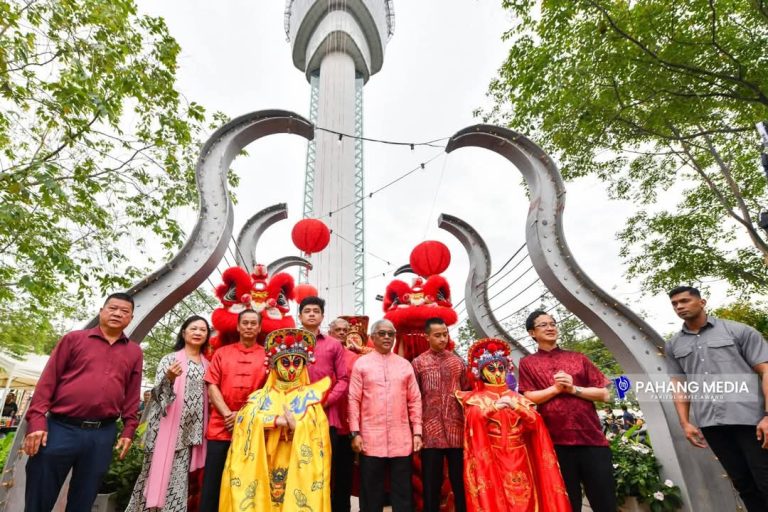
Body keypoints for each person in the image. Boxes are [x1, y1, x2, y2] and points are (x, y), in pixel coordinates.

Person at [23, 292, 143, 512]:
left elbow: (132, 395)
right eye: (112, 308)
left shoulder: (134, 352)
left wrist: (128, 430)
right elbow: (47, 382)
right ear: (101, 311)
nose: (117, 313)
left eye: (124, 311)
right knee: (39, 495)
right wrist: (37, 421)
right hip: (60, 428)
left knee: (84, 499)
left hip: (102, 434)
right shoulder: (74, 339)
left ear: (131, 318)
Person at [666, 286, 768, 511]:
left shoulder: (738, 331)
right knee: (743, 485)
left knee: (765, 481)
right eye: (674, 304)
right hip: (712, 424)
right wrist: (685, 422)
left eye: (684, 301)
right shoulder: (674, 345)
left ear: (702, 302)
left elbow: (766, 370)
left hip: (751, 420)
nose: (679, 307)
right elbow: (679, 385)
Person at [219, 328, 331, 512]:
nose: (292, 368)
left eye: (297, 363)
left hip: (295, 460)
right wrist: (275, 420)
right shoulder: (260, 397)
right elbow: (243, 420)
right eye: (285, 363)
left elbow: (319, 435)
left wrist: (298, 426)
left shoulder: (310, 399)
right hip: (264, 460)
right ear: (274, 365)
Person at [456, 338, 571, 512]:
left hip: (521, 455)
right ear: (481, 372)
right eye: (491, 369)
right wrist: (492, 408)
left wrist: (517, 407)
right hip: (492, 457)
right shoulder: (475, 399)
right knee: (497, 499)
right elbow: (473, 422)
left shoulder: (518, 398)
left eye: (501, 368)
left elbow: (536, 424)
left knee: (527, 497)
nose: (497, 373)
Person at [517, 310, 616, 512]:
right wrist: (555, 389)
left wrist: (573, 389)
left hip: (592, 441)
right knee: (566, 505)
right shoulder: (527, 363)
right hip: (555, 444)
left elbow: (604, 394)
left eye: (553, 323)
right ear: (531, 333)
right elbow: (528, 397)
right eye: (543, 325)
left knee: (605, 502)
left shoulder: (578, 358)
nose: (550, 327)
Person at [126, 315, 211, 512]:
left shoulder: (208, 364)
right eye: (193, 328)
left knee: (178, 483)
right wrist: (169, 378)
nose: (198, 332)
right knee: (151, 477)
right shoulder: (170, 359)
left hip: (188, 433)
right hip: (163, 431)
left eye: (202, 330)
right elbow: (157, 395)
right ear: (184, 332)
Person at [348, 318, 423, 512]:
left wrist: (417, 432)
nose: (387, 337)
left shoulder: (405, 365)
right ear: (373, 337)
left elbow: (414, 400)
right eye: (382, 333)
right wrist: (354, 433)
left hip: (401, 438)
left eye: (391, 333)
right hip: (370, 438)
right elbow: (353, 399)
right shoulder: (361, 364)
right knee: (371, 493)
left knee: (403, 492)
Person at [199, 309, 268, 512]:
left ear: (259, 327)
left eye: (253, 323)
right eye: (244, 323)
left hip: (252, 426)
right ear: (238, 326)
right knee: (213, 479)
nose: (248, 327)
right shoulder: (221, 353)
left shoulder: (267, 356)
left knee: (246, 481)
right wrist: (228, 414)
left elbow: (268, 392)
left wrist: (242, 414)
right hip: (220, 426)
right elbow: (212, 385)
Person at [298, 297, 351, 512]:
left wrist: (324, 402)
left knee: (326, 471)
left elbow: (343, 380)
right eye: (307, 311)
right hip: (295, 418)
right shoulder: (290, 342)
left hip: (326, 418)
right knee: (299, 469)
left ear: (321, 316)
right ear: (300, 316)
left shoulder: (333, 345)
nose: (311, 314)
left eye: (316, 311)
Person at [411, 318, 468, 512]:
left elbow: (466, 391)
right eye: (437, 335)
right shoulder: (418, 363)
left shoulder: (458, 362)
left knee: (460, 482)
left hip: (457, 432)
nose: (443, 338)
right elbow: (414, 397)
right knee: (431, 484)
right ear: (427, 337)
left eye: (445, 334)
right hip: (430, 432)